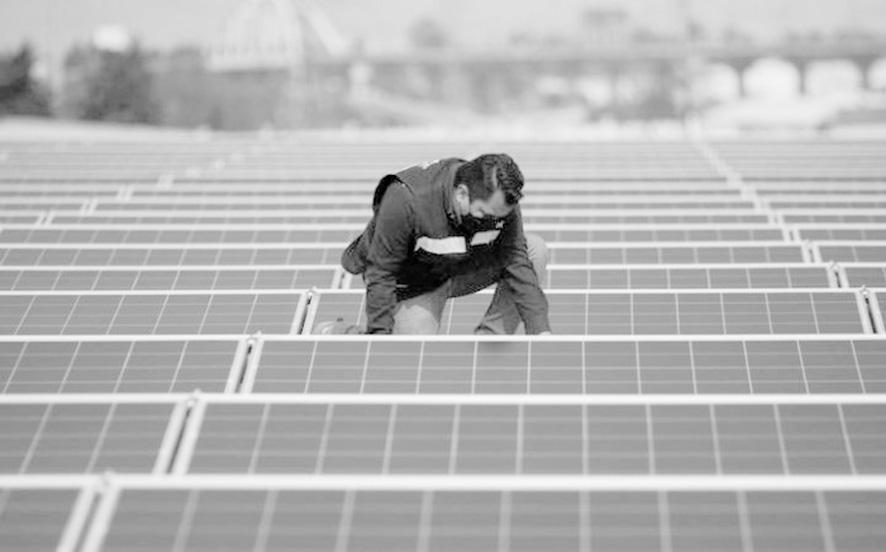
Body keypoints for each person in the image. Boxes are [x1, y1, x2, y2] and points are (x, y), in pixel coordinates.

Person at [333, 153, 551, 335]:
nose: (494, 221)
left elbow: (516, 261)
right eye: (484, 214)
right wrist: (378, 336)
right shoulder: (406, 199)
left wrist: (540, 330)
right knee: (411, 355)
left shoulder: (499, 202)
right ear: (462, 194)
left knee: (534, 249)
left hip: (460, 265)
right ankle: (342, 333)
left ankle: (489, 338)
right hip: (414, 281)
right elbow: (381, 272)